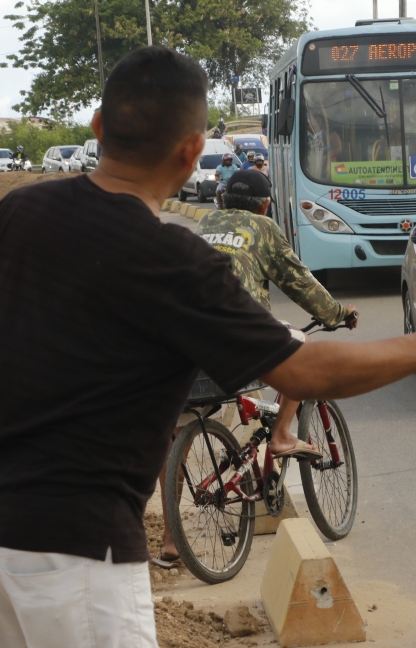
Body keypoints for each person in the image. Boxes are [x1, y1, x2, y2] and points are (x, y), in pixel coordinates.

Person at [0, 45, 416, 647]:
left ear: (98, 128)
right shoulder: (169, 259)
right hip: (70, 547)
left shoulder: (16, 212)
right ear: (189, 153)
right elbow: (304, 372)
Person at [152, 169, 359, 566]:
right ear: (266, 205)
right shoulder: (263, 227)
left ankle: (170, 541)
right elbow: (300, 283)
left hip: (182, 344)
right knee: (304, 350)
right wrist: (338, 313)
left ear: (221, 201)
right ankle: (281, 434)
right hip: (238, 338)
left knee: (177, 435)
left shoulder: (205, 223)